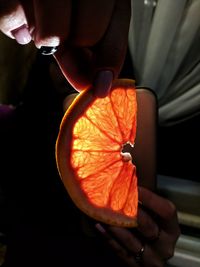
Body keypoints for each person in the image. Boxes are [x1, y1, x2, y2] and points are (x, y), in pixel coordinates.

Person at [0, 1, 181, 267]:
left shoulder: (133, 143)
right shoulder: (9, 129)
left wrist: (152, 254)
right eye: (53, 54)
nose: (75, 68)